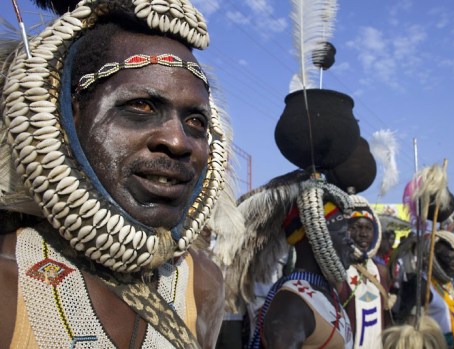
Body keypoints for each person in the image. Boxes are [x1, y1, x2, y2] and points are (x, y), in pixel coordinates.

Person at [0, 0, 235, 347]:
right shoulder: (8, 280)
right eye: (141, 106)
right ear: (69, 118)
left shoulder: (201, 281)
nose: (177, 140)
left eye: (195, 122)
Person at [247, 179, 355, 348]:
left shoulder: (327, 293)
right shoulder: (291, 304)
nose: (350, 242)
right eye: (342, 233)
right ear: (317, 234)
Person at [342, 194, 392, 348]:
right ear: (345, 231)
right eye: (356, 227)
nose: (363, 234)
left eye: (368, 228)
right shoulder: (337, 271)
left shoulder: (381, 272)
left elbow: (386, 317)